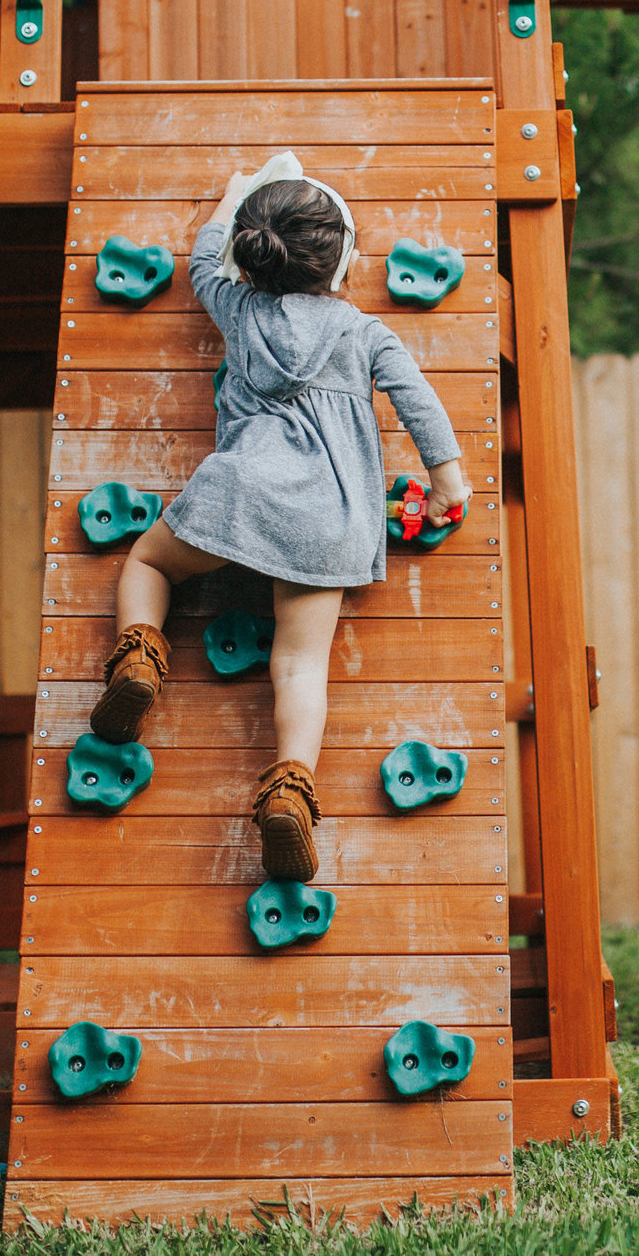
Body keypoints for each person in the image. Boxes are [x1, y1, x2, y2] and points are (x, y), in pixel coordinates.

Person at [89, 157, 470, 880]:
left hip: (238, 494)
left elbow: (203, 256)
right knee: (298, 666)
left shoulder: (236, 305)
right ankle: (289, 789)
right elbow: (418, 400)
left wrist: (232, 197)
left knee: (149, 561)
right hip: (326, 521)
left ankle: (139, 653)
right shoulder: (364, 333)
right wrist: (448, 479)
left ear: (251, 254)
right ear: (345, 260)